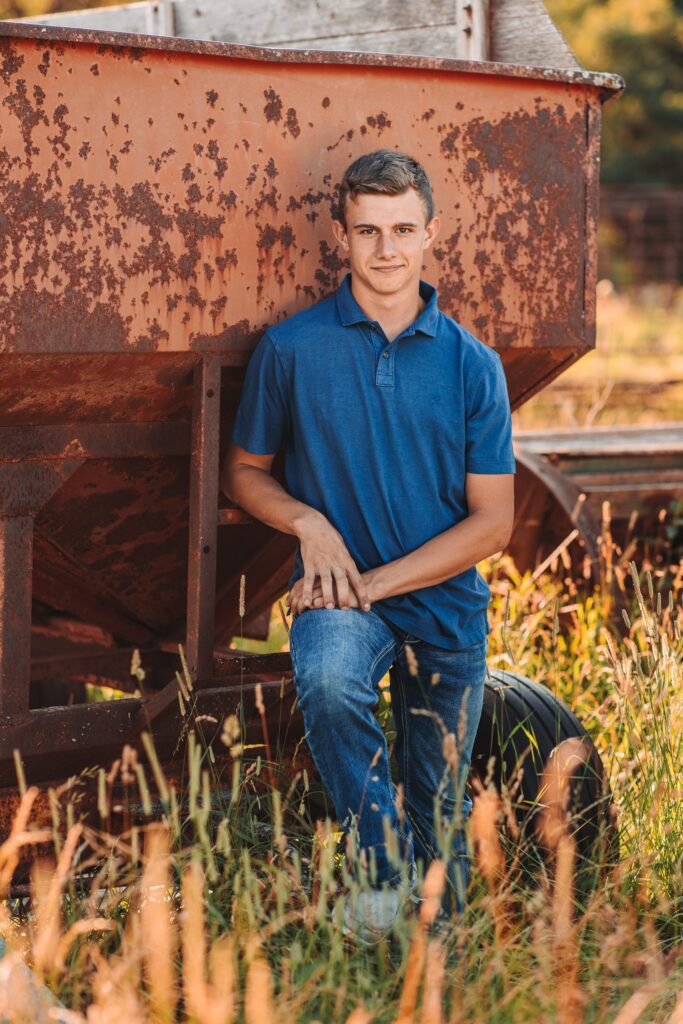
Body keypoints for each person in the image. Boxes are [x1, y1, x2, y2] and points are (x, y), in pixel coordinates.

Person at [222, 149, 515, 942]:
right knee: (324, 681)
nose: (386, 250)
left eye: (402, 230)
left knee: (439, 804)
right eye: (367, 231)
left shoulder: (471, 364)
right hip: (337, 600)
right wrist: (307, 522)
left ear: (431, 235)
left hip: (444, 608)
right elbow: (244, 473)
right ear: (340, 236)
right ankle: (384, 879)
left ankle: (424, 954)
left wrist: (377, 583)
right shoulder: (291, 349)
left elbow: (493, 523)